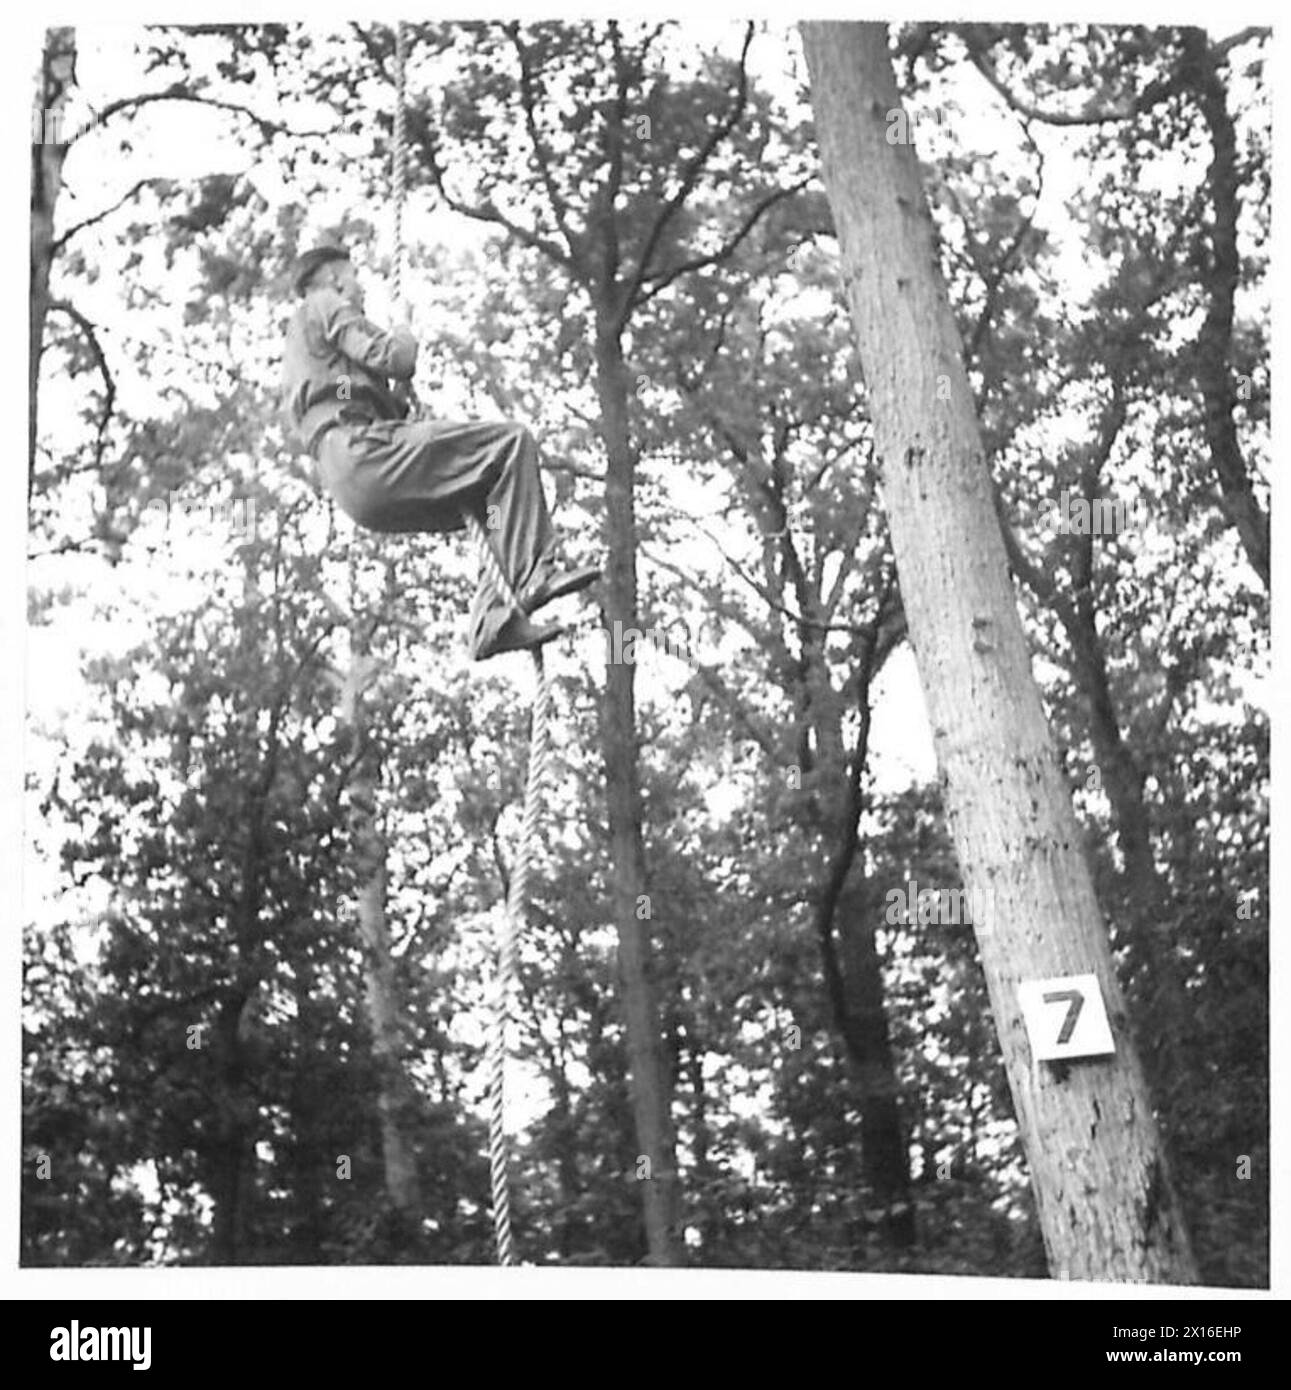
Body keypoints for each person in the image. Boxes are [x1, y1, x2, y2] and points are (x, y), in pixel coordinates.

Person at [281, 244, 598, 659]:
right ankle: (535, 571)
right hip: (361, 453)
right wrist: (404, 327)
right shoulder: (324, 303)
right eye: (356, 277)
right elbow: (395, 356)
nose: (362, 289)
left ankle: (493, 620)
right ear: (335, 279)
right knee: (510, 444)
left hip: (356, 480)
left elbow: (356, 390)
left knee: (492, 502)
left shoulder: (316, 353)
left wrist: (395, 399)